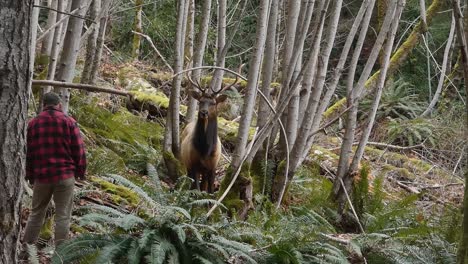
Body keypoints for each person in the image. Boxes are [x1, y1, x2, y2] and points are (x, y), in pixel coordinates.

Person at [23, 92, 87, 247]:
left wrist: (30, 176)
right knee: (63, 216)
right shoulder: (69, 122)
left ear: (44, 104)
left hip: (42, 177)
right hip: (64, 176)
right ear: (59, 104)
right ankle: (60, 254)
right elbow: (79, 150)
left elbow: (29, 153)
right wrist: (80, 172)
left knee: (36, 213)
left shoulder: (33, 123)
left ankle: (26, 250)